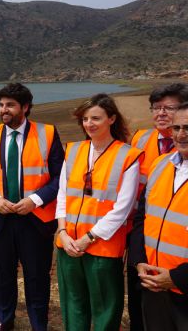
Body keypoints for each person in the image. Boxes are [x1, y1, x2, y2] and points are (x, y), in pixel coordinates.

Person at [0, 83, 64, 331]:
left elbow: (60, 177)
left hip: (35, 219)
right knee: (2, 274)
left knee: (36, 275)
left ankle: (38, 323)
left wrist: (35, 200)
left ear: (25, 107)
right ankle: (5, 319)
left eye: (10, 105)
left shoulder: (48, 133)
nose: (4, 110)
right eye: (1, 105)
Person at [56, 93, 143, 331]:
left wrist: (88, 238)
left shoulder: (128, 156)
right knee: (73, 304)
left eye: (96, 118)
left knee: (105, 308)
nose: (89, 124)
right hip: (68, 243)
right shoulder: (73, 151)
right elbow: (62, 195)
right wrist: (63, 232)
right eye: (85, 119)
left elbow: (122, 208)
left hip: (102, 246)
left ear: (111, 119)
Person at [127, 83, 188, 331]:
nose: (182, 134)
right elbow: (143, 218)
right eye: (177, 127)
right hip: (151, 281)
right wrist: (139, 261)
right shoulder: (161, 164)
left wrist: (174, 278)